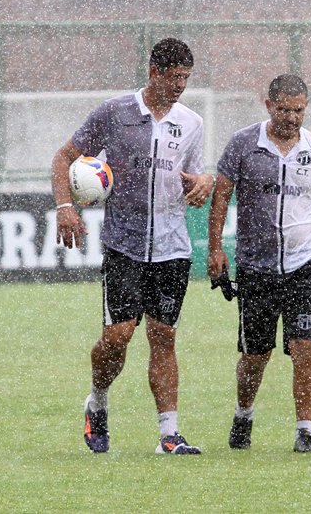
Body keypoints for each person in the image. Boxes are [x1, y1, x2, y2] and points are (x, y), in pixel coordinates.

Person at [51, 38, 214, 455]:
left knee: (163, 336)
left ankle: (169, 435)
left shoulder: (191, 122)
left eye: (186, 78)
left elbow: (195, 177)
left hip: (173, 247)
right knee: (118, 335)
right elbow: (63, 157)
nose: (180, 85)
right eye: (173, 76)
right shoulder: (114, 112)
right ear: (153, 72)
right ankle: (98, 401)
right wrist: (66, 207)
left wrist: (203, 183)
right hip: (123, 243)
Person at [207, 74, 311, 453]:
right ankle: (243, 414)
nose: (291, 117)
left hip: (304, 265)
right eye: (283, 109)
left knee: (305, 348)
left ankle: (304, 431)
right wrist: (215, 248)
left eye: (298, 110)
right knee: (255, 356)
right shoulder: (243, 143)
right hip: (255, 266)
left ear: (306, 108)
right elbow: (221, 197)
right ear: (268, 105)